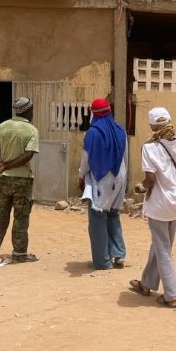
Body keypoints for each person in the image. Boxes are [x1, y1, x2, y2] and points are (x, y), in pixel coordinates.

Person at [129, 107, 176, 308]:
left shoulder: (149, 148)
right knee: (161, 243)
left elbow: (151, 179)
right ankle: (146, 284)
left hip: (159, 202)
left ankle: (171, 295)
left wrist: (142, 186)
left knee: (162, 248)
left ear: (152, 125)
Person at [0, 97, 40, 264]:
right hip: (22, 180)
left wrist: (2, 164)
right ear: (28, 111)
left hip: (4, 180)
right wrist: (6, 165)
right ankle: (20, 253)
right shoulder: (31, 130)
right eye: (32, 110)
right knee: (21, 217)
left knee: (0, 215)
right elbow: (28, 155)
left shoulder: (3, 126)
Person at [78, 98, 128, 270]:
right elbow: (125, 157)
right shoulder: (120, 130)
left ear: (94, 114)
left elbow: (86, 159)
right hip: (119, 176)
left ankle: (102, 261)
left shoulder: (93, 133)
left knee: (98, 218)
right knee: (113, 215)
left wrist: (81, 176)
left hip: (101, 179)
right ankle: (119, 255)